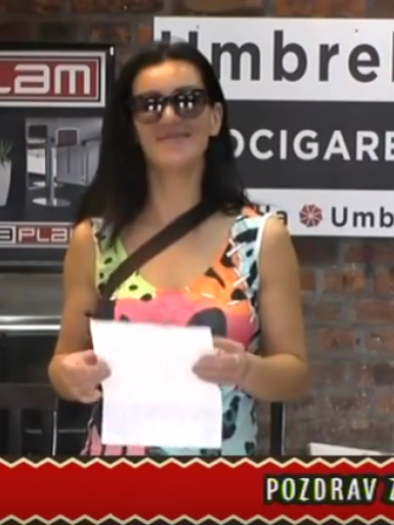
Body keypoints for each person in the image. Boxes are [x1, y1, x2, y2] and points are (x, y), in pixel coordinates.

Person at [48, 42, 309, 456]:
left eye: (187, 101)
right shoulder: (94, 240)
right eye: (150, 105)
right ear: (131, 127)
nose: (169, 116)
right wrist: (69, 376)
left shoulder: (261, 238)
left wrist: (246, 369)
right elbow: (63, 362)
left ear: (215, 118)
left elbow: (294, 374)